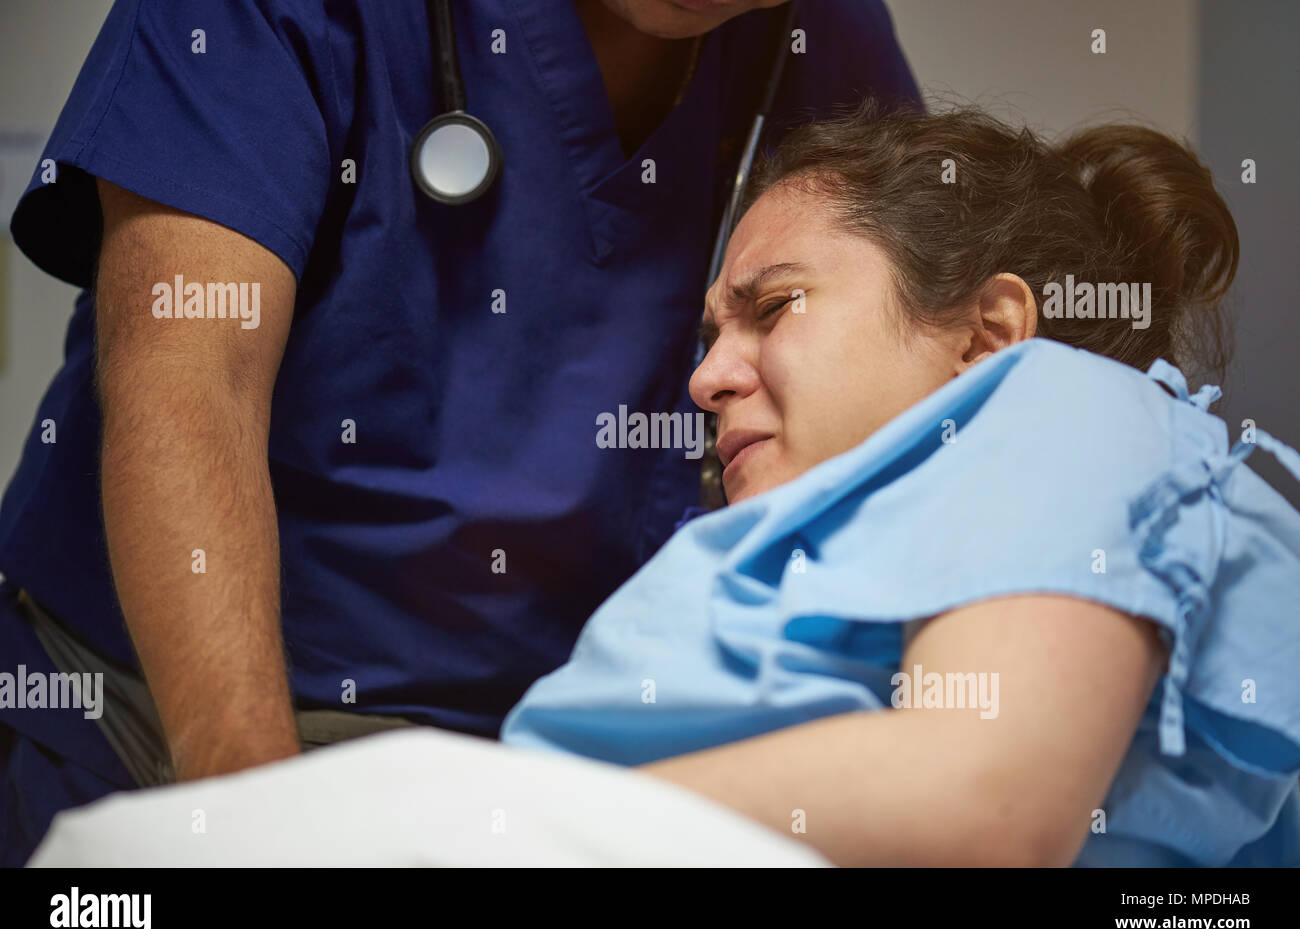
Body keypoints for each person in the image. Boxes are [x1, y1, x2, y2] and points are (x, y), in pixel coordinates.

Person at [30, 102, 1300, 867]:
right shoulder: (852, 531)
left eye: (771, 311)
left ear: (988, 329)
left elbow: (987, 797)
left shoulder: (1062, 405)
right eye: (706, 335)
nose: (704, 379)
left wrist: (464, 812)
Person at [0, 0, 920, 865]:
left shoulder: (815, 32)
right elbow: (193, 380)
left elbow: (924, 364)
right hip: (163, 723)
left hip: (536, 763)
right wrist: (251, 812)